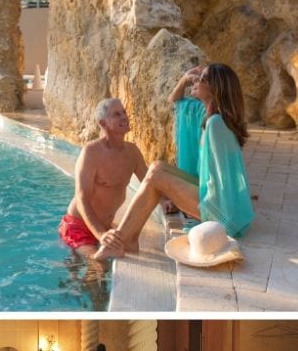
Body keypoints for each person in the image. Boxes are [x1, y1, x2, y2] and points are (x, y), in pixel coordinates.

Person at [94, 63, 254, 259]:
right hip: (216, 196)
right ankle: (128, 238)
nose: (196, 81)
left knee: (155, 178)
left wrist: (185, 199)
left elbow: (222, 180)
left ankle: (122, 240)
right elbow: (175, 100)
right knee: (157, 167)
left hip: (222, 210)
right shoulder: (210, 116)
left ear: (215, 89)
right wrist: (178, 193)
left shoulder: (215, 124)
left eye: (202, 79)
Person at [59, 98, 148, 259]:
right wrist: (101, 235)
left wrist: (165, 202)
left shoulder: (132, 152)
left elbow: (148, 184)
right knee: (99, 265)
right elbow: (82, 198)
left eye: (124, 112)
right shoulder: (92, 152)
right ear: (103, 123)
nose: (124, 117)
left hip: (105, 227)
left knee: (126, 250)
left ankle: (75, 262)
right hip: (78, 226)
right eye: (116, 114)